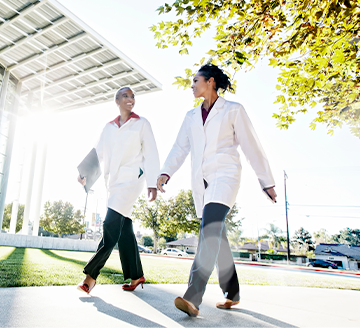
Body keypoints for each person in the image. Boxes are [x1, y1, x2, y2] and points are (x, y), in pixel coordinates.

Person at [157, 64, 277, 317]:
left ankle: (193, 295)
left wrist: (266, 180)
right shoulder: (190, 116)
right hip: (201, 182)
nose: (192, 85)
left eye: (195, 80)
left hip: (226, 176)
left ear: (211, 82)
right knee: (217, 235)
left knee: (209, 228)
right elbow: (180, 148)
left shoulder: (233, 110)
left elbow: (251, 145)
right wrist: (166, 172)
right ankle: (232, 291)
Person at [77, 86, 160, 294]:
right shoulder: (109, 128)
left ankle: (91, 276)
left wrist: (152, 182)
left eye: (133, 96)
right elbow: (98, 153)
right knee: (124, 228)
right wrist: (84, 173)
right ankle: (136, 275)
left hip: (132, 180)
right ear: (117, 101)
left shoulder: (142, 124)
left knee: (110, 224)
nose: (130, 99)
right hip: (113, 183)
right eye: (125, 96)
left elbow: (151, 153)